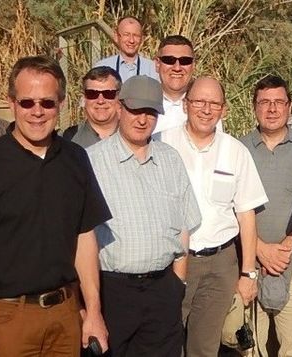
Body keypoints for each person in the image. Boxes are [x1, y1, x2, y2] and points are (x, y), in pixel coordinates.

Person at [0, 56, 112, 356]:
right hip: (5, 320)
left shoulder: (76, 160)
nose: (37, 112)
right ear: (11, 102)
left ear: (60, 103)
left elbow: (84, 238)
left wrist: (93, 312)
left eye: (47, 103)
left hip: (65, 315)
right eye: (27, 102)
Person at [87, 75, 200, 356]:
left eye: (150, 112)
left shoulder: (170, 160)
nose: (142, 119)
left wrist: (178, 283)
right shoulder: (91, 161)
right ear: (120, 107)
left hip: (163, 289)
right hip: (112, 291)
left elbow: (185, 223)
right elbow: (80, 235)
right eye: (136, 110)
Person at [159, 77, 266, 357]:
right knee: (165, 341)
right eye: (199, 102)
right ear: (185, 105)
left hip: (220, 266)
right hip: (172, 262)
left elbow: (246, 216)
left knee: (204, 348)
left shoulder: (236, 152)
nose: (206, 109)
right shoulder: (162, 144)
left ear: (224, 110)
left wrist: (248, 273)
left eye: (214, 103)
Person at [237, 75, 292, 357]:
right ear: (254, 107)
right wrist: (260, 249)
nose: (272, 109)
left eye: (278, 102)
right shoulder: (237, 150)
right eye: (264, 102)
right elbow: (227, 208)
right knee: (249, 348)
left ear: (289, 106)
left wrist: (286, 247)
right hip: (248, 266)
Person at [63, 66, 121, 148]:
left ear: (120, 97)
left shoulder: (137, 138)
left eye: (109, 94)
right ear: (83, 98)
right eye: (92, 94)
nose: (100, 101)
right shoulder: (68, 140)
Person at [152, 35, 198, 135]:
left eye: (185, 61)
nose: (177, 68)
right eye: (169, 60)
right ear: (157, 64)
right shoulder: (142, 104)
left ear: (193, 66)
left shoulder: (206, 108)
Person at [92, 16, 159, 82]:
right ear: (116, 37)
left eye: (136, 35)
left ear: (142, 39)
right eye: (126, 35)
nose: (131, 40)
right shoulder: (101, 67)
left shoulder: (153, 69)